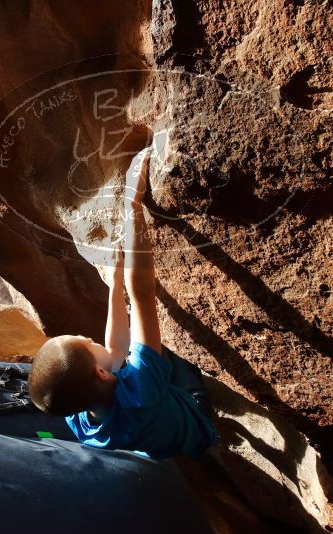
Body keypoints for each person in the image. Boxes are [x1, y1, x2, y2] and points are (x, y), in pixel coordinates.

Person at [28, 146, 219, 459]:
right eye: (89, 343)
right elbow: (143, 293)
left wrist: (115, 286)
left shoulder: (80, 420)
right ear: (102, 374)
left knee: (132, 354)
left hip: (156, 436)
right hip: (195, 418)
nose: (92, 339)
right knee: (169, 349)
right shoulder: (142, 389)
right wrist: (132, 203)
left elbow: (115, 350)